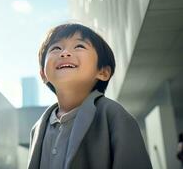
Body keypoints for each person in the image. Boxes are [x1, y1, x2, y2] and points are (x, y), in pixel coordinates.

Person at [27, 23, 152, 169]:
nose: (65, 53)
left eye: (79, 46)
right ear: (43, 74)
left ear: (103, 72)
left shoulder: (114, 115)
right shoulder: (37, 129)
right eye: (56, 48)